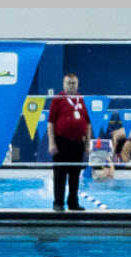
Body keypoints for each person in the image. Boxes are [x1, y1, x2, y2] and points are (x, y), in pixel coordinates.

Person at [48, 73, 90, 211]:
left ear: (77, 84)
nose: (71, 85)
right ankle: (58, 203)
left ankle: (73, 202)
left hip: (77, 143)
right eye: (68, 83)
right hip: (61, 142)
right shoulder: (57, 100)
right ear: (63, 84)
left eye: (73, 83)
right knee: (60, 174)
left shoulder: (82, 100)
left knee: (75, 175)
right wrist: (52, 143)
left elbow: (88, 123)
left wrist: (88, 143)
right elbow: (51, 123)